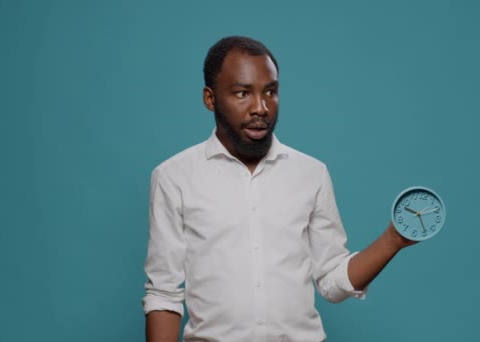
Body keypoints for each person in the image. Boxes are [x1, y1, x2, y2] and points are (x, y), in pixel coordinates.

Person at [143, 36, 417, 342]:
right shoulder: (174, 177)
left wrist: (393, 240)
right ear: (210, 98)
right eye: (242, 93)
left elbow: (331, 281)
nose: (260, 107)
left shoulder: (311, 174)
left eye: (270, 92)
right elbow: (164, 293)